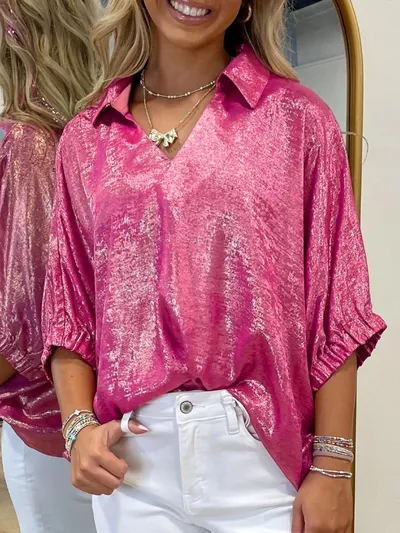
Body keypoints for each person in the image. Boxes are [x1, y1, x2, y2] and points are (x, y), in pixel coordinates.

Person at [42, 1, 386, 532]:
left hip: (263, 465)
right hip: (132, 468)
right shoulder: (87, 138)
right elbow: (71, 301)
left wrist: (334, 467)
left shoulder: (297, 121)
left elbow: (335, 306)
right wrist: (77, 426)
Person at [0, 1, 99, 532]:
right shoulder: (89, 137)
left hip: (43, 417)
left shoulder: (28, 142)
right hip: (81, 410)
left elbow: (28, 319)